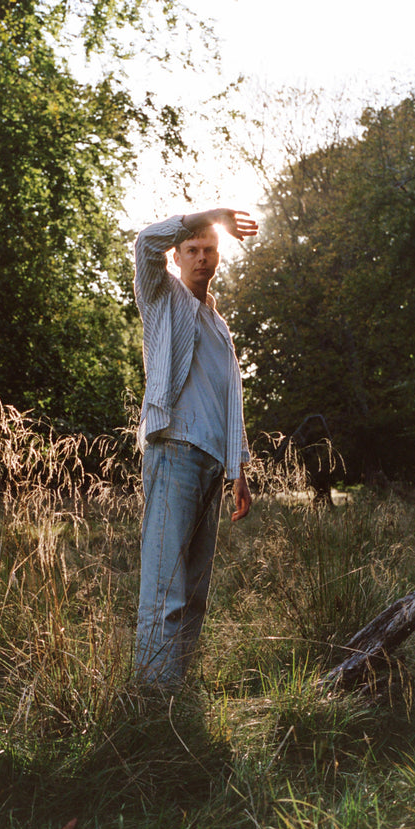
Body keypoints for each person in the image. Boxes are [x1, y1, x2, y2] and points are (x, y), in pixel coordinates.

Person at [133, 208, 258, 688]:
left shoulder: (219, 326)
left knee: (194, 592)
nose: (202, 257)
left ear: (218, 257)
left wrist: (238, 468)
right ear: (178, 256)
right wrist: (211, 215)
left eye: (209, 249)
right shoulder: (163, 296)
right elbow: (146, 241)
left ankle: (176, 692)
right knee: (164, 586)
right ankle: (152, 698)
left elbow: (229, 398)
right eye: (192, 250)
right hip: (174, 450)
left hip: (211, 463)